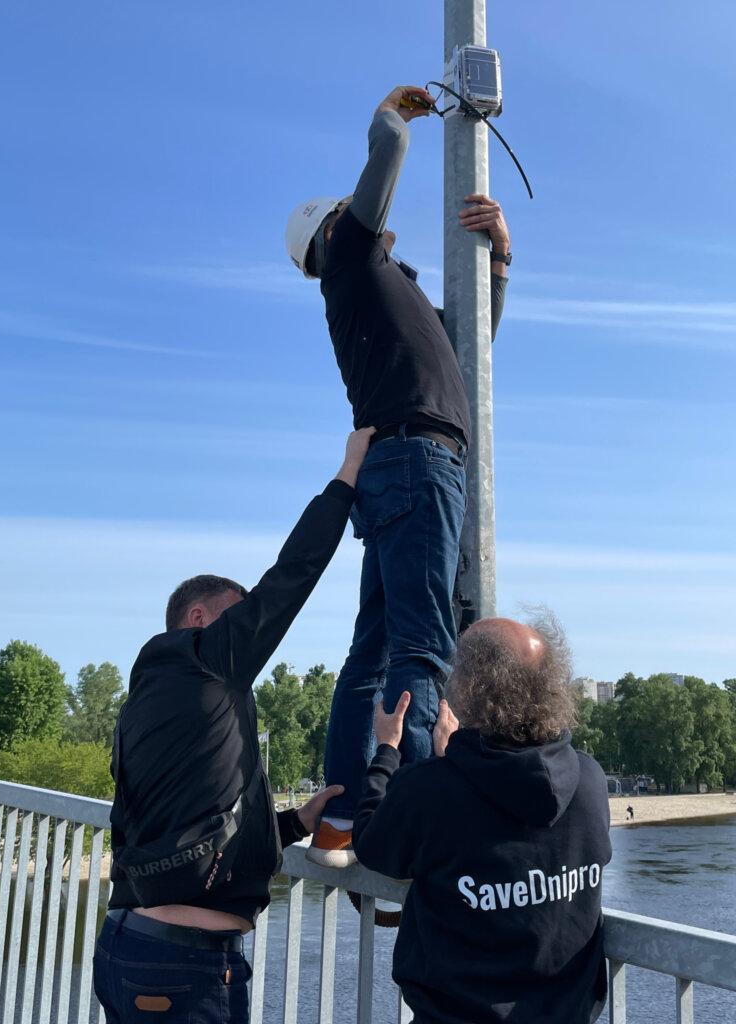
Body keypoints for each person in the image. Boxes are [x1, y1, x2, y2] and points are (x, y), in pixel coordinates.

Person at [285, 85, 511, 866]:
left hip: (398, 466)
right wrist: (389, 115)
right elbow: (389, 152)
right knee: (422, 643)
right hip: (418, 462)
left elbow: (471, 347)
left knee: (374, 649)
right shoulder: (349, 260)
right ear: (332, 230)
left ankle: (344, 820)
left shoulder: (388, 293)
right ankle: (411, 824)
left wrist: (499, 258)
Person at [93, 428, 373, 1024]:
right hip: (182, 969)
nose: (248, 631)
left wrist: (294, 823)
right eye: (236, 616)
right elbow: (292, 575)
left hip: (133, 948)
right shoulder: (203, 659)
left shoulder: (153, 700)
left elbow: (190, 822)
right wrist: (347, 476)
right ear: (198, 618)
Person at [353, 614, 612, 1024]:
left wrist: (387, 751)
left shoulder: (430, 789)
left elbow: (372, 846)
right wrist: (456, 760)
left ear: (469, 687)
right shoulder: (589, 780)